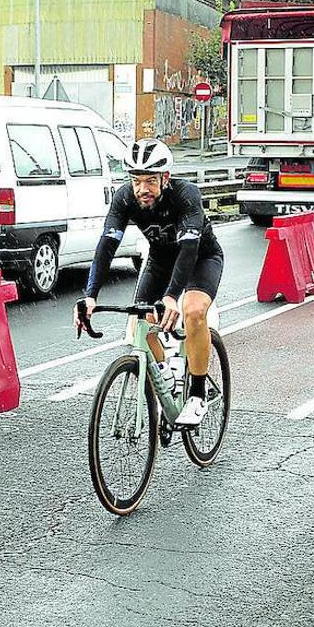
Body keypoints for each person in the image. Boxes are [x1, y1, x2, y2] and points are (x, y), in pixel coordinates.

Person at [75, 138, 224, 426]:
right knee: (140, 321)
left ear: (165, 178)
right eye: (136, 180)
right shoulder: (125, 198)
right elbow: (107, 245)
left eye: (151, 181)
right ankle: (165, 373)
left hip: (200, 259)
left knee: (193, 311)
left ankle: (196, 394)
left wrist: (172, 296)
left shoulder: (186, 194)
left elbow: (189, 250)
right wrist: (90, 295)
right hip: (160, 260)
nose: (143, 189)